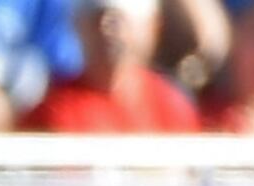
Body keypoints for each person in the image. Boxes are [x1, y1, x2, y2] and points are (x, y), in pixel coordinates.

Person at [32, 0, 200, 116]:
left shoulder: (171, 106)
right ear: (79, 25)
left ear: (152, 26)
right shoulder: (57, 110)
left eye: (120, 20)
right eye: (97, 19)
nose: (108, 29)